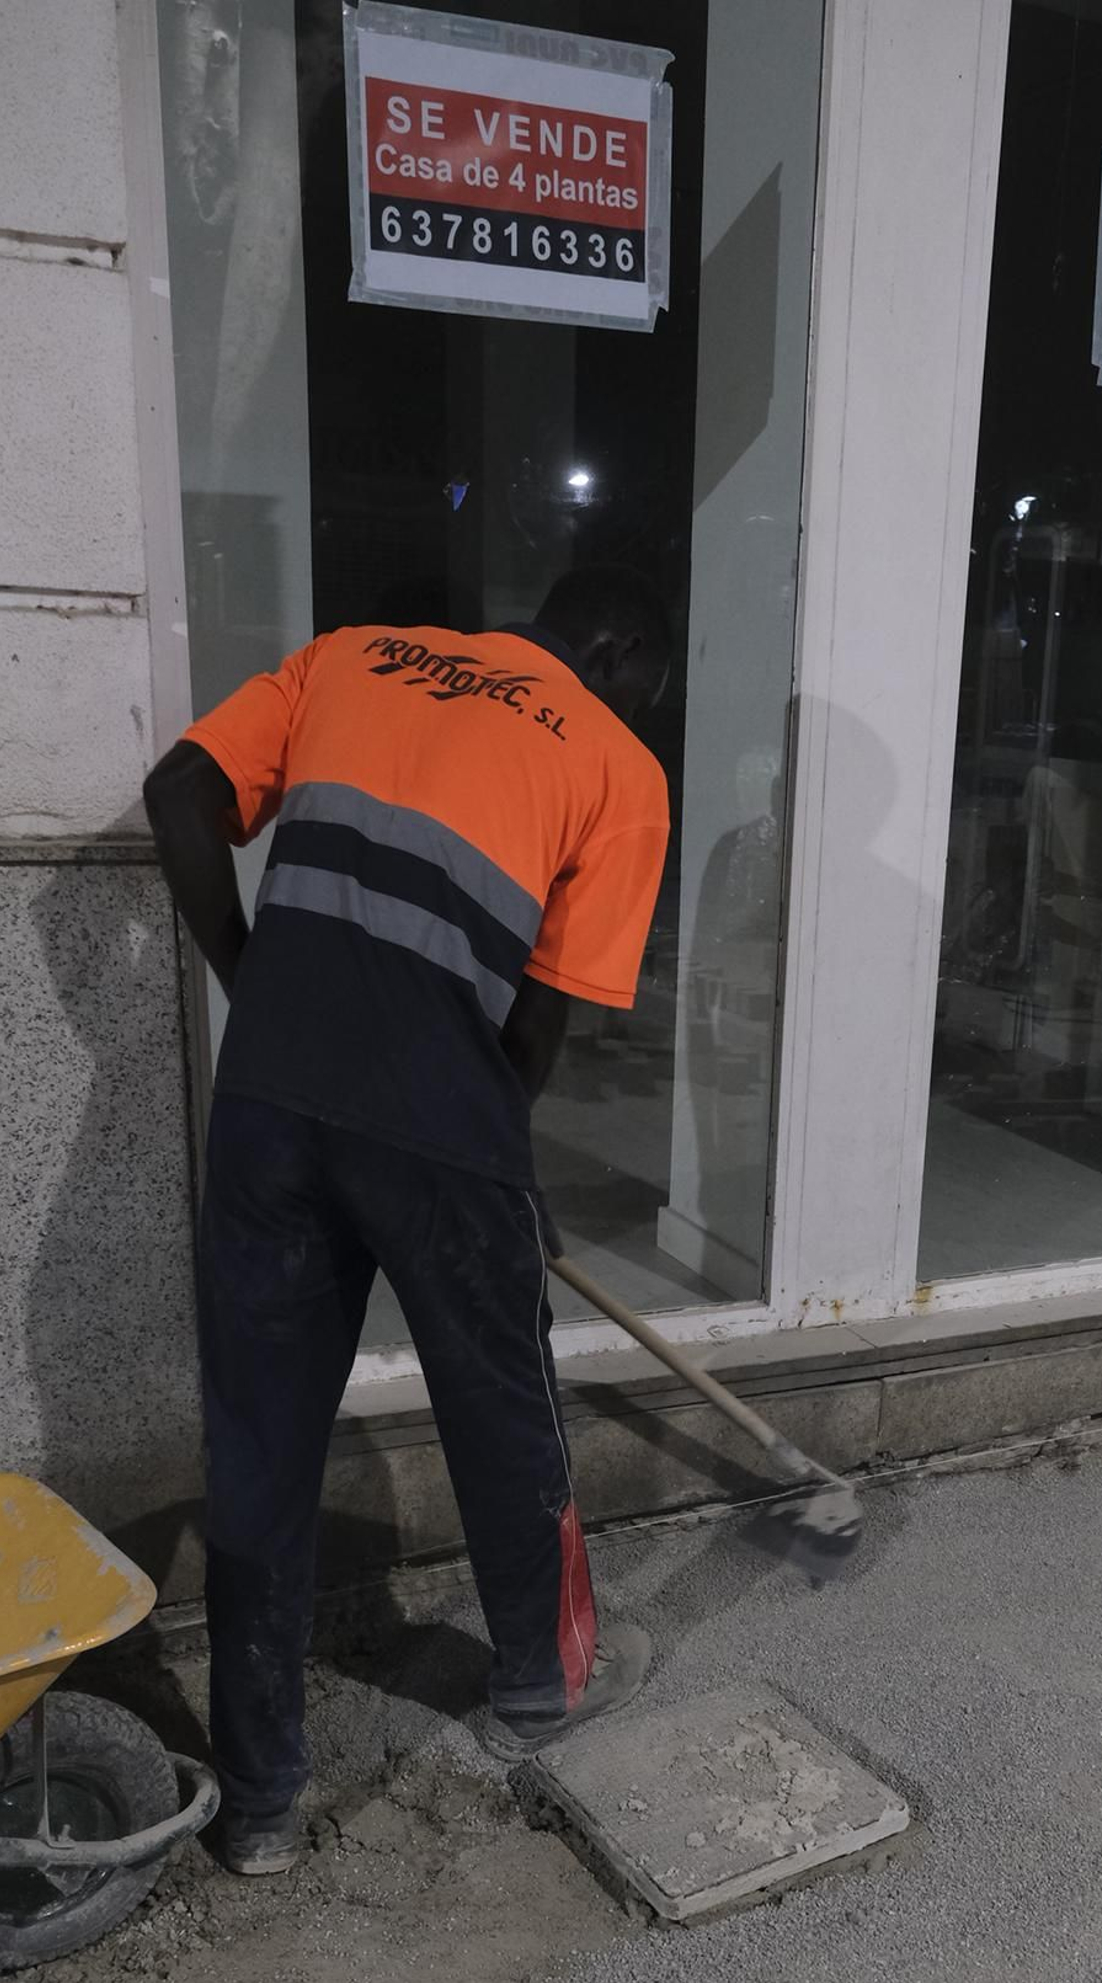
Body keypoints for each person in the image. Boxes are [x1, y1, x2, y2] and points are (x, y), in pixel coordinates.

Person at [143, 567, 672, 1876]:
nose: (635, 709)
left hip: (270, 1100)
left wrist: (255, 982)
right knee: (502, 1407)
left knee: (261, 1443)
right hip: (443, 1122)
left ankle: (259, 1806)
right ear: (615, 652)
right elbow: (537, 1022)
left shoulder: (348, 658)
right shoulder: (617, 765)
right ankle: (539, 1684)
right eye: (643, 688)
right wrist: (494, 1170)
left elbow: (177, 795)